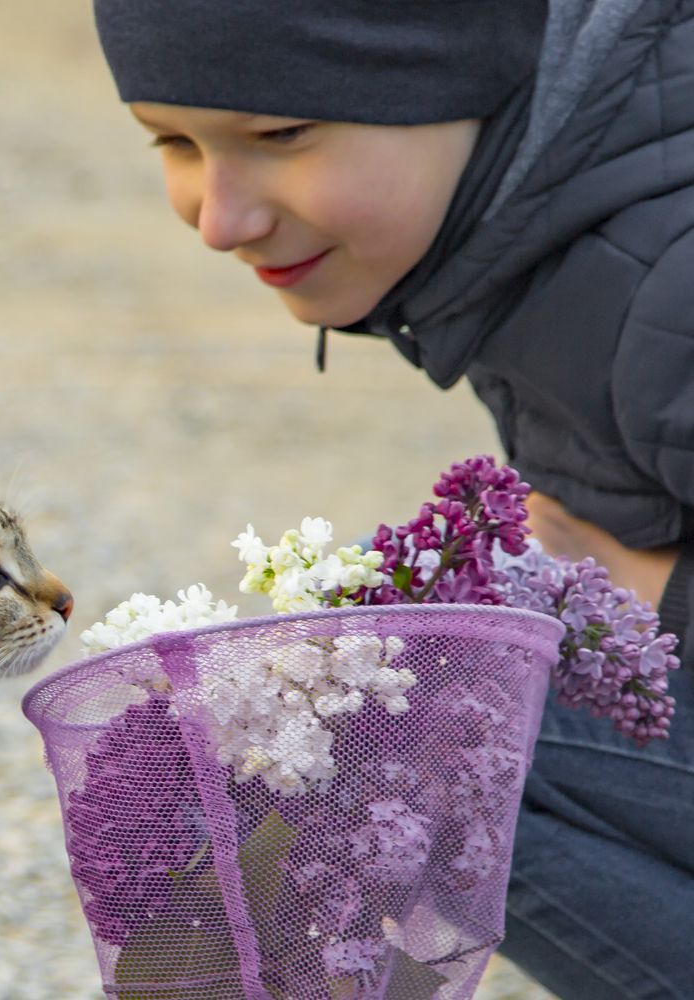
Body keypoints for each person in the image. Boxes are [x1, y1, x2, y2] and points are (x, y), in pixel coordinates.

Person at [88, 1, 694, 997]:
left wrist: (648, 591)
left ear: (451, 80)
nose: (219, 218)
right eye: (174, 141)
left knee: (422, 746)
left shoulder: (667, 279)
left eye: (280, 134)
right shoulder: (530, 206)